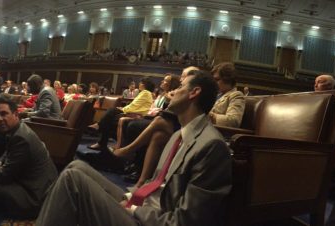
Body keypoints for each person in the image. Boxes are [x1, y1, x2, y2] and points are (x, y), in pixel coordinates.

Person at [36, 71, 232, 226]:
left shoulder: (211, 146)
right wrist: (132, 198)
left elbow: (184, 222)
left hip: (148, 219)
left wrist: (135, 210)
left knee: (72, 180)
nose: (171, 92)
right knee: (76, 167)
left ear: (194, 92)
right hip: (144, 205)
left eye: (180, 87)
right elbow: (157, 183)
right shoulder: (177, 136)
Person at [0, 94, 58, 218]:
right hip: (37, 188)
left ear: (16, 114)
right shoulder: (18, 130)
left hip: (36, 200)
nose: (0, 118)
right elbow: (6, 153)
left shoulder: (20, 138)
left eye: (4, 114)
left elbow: (3, 177)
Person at [87, 78, 154, 150]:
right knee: (110, 116)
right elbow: (134, 105)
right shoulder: (147, 93)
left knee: (111, 112)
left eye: (140, 83)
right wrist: (123, 108)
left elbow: (134, 106)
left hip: (136, 114)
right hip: (134, 112)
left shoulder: (145, 92)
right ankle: (101, 135)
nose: (139, 85)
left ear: (143, 84)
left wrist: (123, 109)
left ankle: (100, 130)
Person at [208, 62, 245, 128]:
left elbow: (234, 121)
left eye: (217, 79)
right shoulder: (216, 94)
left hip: (219, 134)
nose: (213, 82)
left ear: (227, 79)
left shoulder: (236, 95)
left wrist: (210, 116)